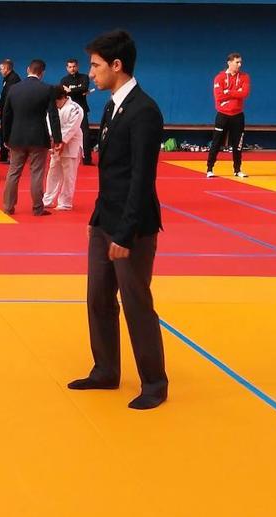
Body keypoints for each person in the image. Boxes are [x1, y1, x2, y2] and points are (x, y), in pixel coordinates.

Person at [70, 30, 168, 411]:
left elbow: (142, 179)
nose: (90, 73)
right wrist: (98, 219)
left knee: (136, 301)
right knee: (98, 298)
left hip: (133, 227)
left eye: (95, 66)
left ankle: (155, 383)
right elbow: (112, 172)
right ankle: (106, 370)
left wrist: (125, 233)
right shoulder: (112, 107)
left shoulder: (145, 111)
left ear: (116, 65)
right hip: (104, 221)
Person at [1, 60, 62, 217]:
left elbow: (6, 115)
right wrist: (57, 138)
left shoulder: (14, 89)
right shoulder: (47, 89)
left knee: (13, 172)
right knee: (37, 173)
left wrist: (5, 137)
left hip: (16, 137)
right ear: (42, 73)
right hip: (38, 137)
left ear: (28, 69)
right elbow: (53, 116)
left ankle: (8, 207)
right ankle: (37, 208)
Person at [206, 52, 251, 179]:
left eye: (240, 62)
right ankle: (210, 168)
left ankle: (237, 169)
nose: (239, 65)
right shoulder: (219, 77)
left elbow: (245, 93)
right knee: (216, 142)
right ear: (229, 62)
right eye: (237, 62)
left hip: (238, 115)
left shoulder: (244, 77)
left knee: (238, 144)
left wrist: (228, 92)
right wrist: (236, 93)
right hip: (222, 115)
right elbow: (219, 96)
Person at [43, 85, 83, 210]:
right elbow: (49, 123)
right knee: (52, 172)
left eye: (56, 101)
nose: (55, 104)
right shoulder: (52, 108)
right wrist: (53, 138)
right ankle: (47, 200)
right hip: (56, 143)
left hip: (71, 144)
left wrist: (61, 140)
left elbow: (72, 128)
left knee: (68, 175)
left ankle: (65, 202)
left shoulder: (75, 108)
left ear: (63, 97)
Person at [60, 58, 94, 164]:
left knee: (85, 134)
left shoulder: (84, 77)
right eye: (70, 67)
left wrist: (71, 90)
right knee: (66, 134)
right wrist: (79, 91)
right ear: (67, 68)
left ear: (77, 67)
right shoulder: (64, 80)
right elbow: (63, 94)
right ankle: (64, 157)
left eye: (74, 66)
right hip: (69, 111)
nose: (72, 69)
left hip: (82, 110)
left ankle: (87, 159)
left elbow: (84, 88)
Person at [0, 59, 21, 161]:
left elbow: (10, 97)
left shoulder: (13, 79)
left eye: (1, 69)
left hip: (11, 112)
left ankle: (12, 157)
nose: (0, 71)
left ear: (7, 68)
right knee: (4, 132)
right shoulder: (7, 79)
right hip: (5, 111)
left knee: (9, 133)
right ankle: (3, 155)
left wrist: (5, 110)